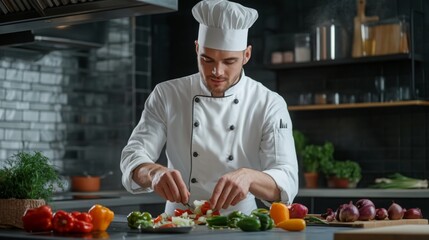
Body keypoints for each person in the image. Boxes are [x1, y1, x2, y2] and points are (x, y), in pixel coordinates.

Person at [120, 0, 298, 215]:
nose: (217, 71)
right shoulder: (167, 94)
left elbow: (287, 177)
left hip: (241, 224)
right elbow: (133, 154)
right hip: (177, 222)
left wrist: (250, 177)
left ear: (246, 55)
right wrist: (153, 172)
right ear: (197, 48)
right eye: (207, 59)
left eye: (229, 61)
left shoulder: (269, 103)